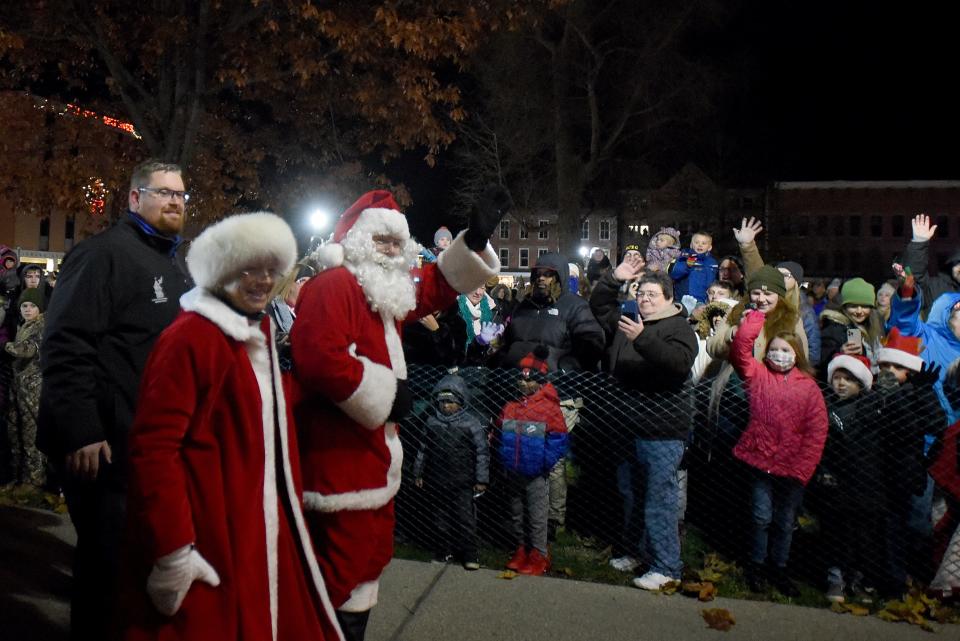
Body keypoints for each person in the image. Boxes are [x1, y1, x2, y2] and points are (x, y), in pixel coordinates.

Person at [291, 187, 504, 641]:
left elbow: (430, 289)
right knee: (335, 575)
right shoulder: (335, 285)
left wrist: (474, 243)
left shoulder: (379, 289)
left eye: (395, 242)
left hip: (374, 459)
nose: (390, 251)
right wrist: (386, 398)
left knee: (366, 569)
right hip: (340, 461)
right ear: (355, 240)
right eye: (381, 241)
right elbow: (319, 358)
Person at [123, 212, 341, 641]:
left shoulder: (250, 334)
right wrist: (174, 549)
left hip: (251, 531)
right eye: (248, 269)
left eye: (270, 270)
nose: (263, 280)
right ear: (222, 273)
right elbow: (154, 449)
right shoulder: (191, 337)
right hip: (211, 532)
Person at [38, 159, 192, 641]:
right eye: (162, 192)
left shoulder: (174, 264)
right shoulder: (102, 254)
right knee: (105, 575)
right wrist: (82, 429)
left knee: (133, 571)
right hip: (103, 448)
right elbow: (66, 343)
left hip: (144, 449)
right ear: (133, 198)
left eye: (180, 195)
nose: (173, 201)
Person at [590, 262, 698, 588]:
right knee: (631, 495)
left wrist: (643, 339)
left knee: (659, 499)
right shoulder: (629, 322)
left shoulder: (679, 328)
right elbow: (599, 306)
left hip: (661, 430)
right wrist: (613, 279)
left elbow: (679, 364)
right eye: (641, 293)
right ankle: (637, 552)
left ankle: (667, 567)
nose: (645, 299)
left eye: (652, 294)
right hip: (626, 425)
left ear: (669, 298)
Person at [729, 307, 828, 598]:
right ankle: (757, 565)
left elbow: (816, 432)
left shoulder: (809, 388)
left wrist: (804, 467)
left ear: (797, 353)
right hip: (761, 461)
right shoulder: (757, 375)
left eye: (786, 349)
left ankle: (779, 567)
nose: (780, 354)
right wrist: (755, 320)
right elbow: (740, 352)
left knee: (785, 522)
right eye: (774, 349)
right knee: (761, 517)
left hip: (792, 467)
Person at [496, 347, 569, 576]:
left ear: (540, 382)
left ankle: (539, 553)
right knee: (517, 511)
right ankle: (521, 548)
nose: (524, 385)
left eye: (530, 381)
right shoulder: (511, 406)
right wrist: (504, 454)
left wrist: (544, 462)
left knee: (537, 514)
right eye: (520, 380)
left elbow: (558, 438)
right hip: (514, 469)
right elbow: (499, 431)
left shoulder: (549, 408)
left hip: (536, 472)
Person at [412, 374, 489, 570]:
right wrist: (418, 473)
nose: (446, 406)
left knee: (465, 519)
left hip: (462, 481)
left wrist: (481, 479)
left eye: (451, 402)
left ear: (461, 402)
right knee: (440, 519)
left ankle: (470, 554)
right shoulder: (431, 422)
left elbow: (481, 452)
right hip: (437, 479)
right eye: (442, 402)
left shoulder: (471, 424)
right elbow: (423, 449)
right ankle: (443, 550)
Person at [731, 217, 821, 366]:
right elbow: (757, 276)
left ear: (797, 282)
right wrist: (747, 247)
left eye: (786, 275)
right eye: (778, 274)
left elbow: (812, 353)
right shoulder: (756, 303)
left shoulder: (803, 312)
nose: (780, 278)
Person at [498, 253, 605, 372]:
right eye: (538, 274)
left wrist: (564, 369)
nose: (541, 278)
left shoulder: (577, 306)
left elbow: (592, 348)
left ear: (560, 277)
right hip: (515, 381)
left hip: (556, 385)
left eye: (548, 274)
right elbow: (508, 343)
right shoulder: (522, 307)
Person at [4, 288, 46, 489]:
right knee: (15, 433)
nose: (28, 310)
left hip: (33, 391)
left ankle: (35, 481)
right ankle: (19, 477)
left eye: (32, 306)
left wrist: (6, 345)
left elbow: (28, 349)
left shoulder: (41, 326)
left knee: (31, 436)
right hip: (18, 387)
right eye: (24, 306)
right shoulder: (24, 325)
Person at [819, 278, 884, 375]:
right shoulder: (835, 328)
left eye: (864, 306)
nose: (859, 311)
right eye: (853, 306)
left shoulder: (875, 325)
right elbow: (821, 363)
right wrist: (839, 353)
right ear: (844, 307)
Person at [902, 214, 960, 316]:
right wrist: (918, 244)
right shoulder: (936, 288)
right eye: (958, 263)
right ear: (951, 267)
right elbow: (914, 283)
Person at [266, 262, 315, 371]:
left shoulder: (306, 319)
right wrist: (281, 345)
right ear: (290, 283)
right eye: (305, 284)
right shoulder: (268, 310)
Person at [669, 230, 719, 305]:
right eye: (696, 242)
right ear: (691, 245)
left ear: (709, 247)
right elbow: (674, 274)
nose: (700, 245)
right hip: (684, 301)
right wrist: (687, 265)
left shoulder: (712, 262)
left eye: (704, 243)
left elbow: (714, 280)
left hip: (704, 301)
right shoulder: (684, 257)